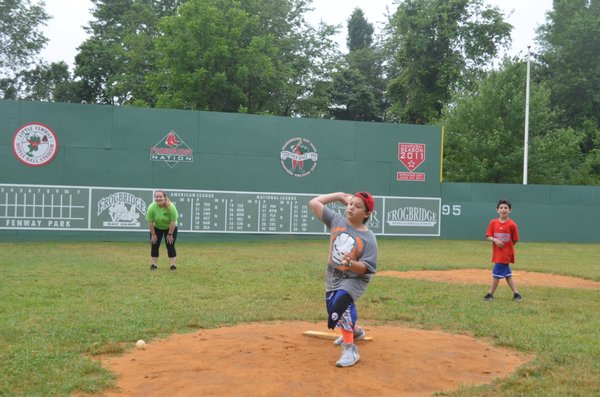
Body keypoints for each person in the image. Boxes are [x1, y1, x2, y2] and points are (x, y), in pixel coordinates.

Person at [309, 191, 378, 367]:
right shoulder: (337, 221)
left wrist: (352, 263)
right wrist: (339, 195)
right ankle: (355, 331)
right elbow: (314, 203)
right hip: (333, 276)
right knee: (334, 309)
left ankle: (350, 349)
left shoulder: (368, 238)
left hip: (355, 278)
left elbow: (366, 267)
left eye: (357, 206)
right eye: (350, 203)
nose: (351, 207)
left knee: (340, 306)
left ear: (367, 214)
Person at [484, 199, 522, 301]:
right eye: (501, 208)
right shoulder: (493, 222)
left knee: (496, 274)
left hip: (505, 254)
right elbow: (488, 236)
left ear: (510, 210)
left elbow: (515, 239)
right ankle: (516, 294)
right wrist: (495, 240)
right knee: (507, 275)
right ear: (497, 210)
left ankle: (490, 294)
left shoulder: (512, 224)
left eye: (506, 208)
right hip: (497, 253)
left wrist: (507, 247)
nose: (503, 210)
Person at [146, 190, 179, 271]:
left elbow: (173, 221)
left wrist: (170, 234)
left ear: (164, 197)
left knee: (170, 245)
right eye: (156, 197)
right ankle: (154, 265)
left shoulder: (171, 207)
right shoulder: (151, 207)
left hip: (170, 227)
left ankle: (173, 266)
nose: (158, 198)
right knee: (154, 245)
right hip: (157, 227)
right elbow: (150, 222)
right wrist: (153, 235)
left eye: (160, 196)